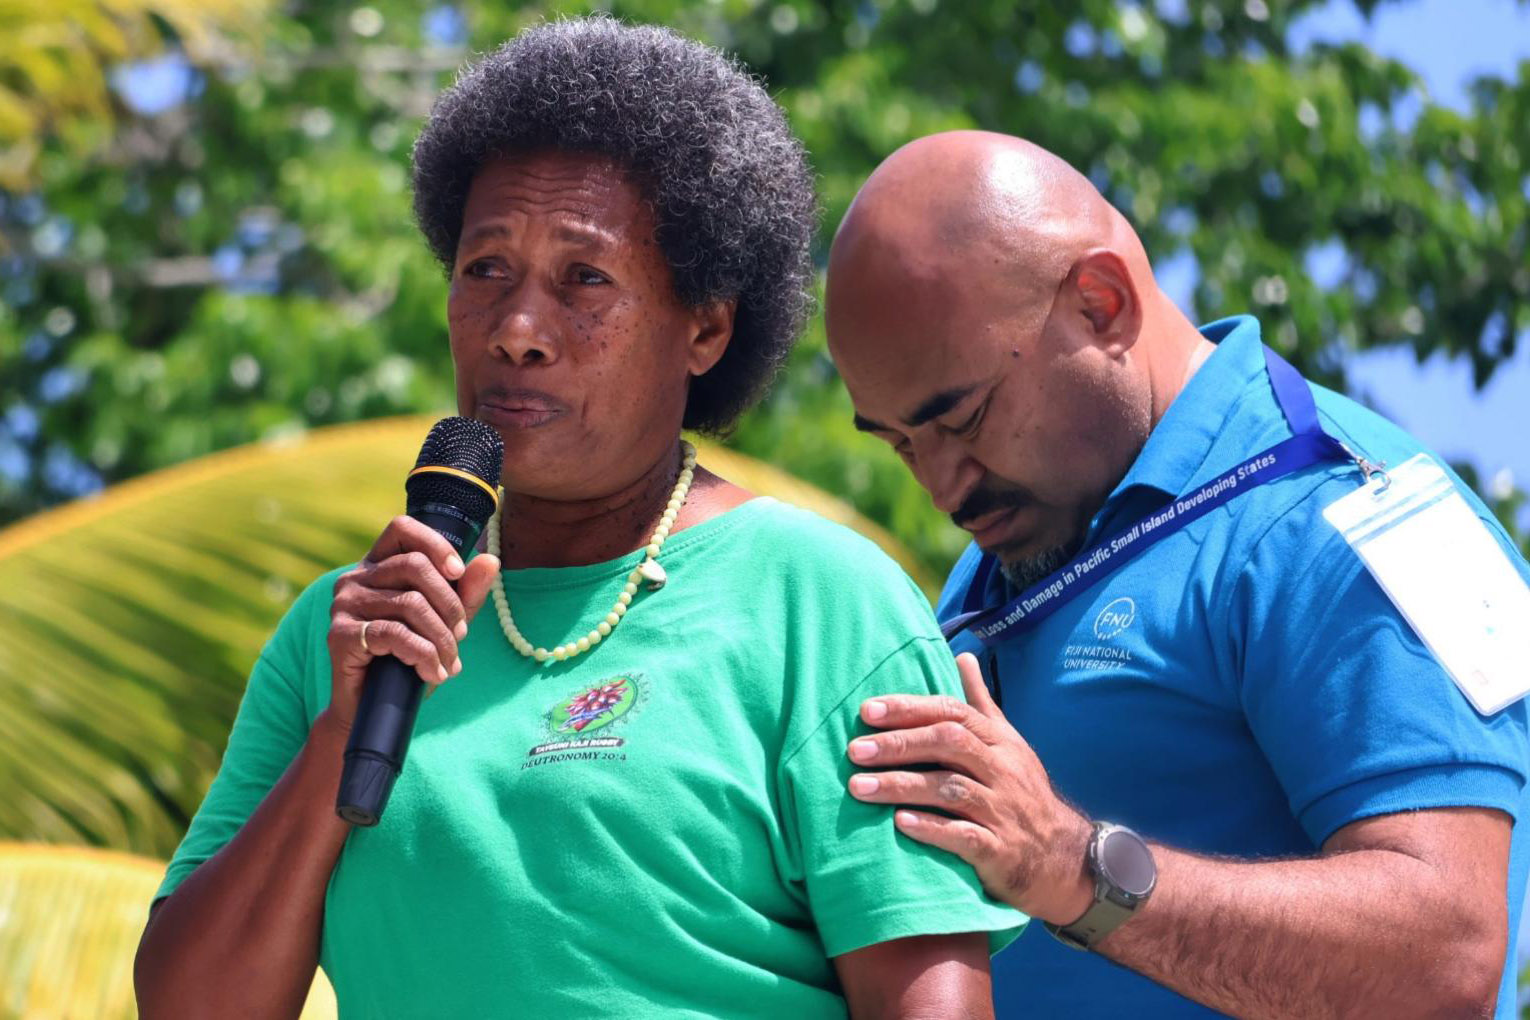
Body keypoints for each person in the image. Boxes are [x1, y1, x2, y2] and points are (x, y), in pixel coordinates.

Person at [134, 26, 1022, 1019]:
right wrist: (342, 731)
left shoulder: (818, 604)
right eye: (485, 269)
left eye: (585, 279)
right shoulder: (346, 633)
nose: (516, 330)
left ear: (705, 326)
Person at [823, 129, 1530, 1018]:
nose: (940, 487)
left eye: (962, 421)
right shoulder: (1008, 549)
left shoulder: (1358, 509)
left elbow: (1447, 961)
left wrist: (1072, 866)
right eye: (899, 444)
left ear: (1102, 302)